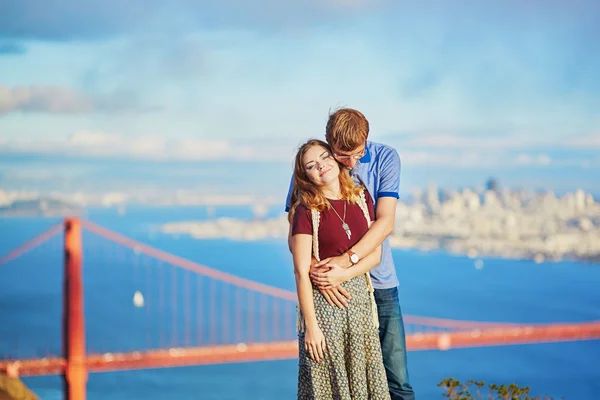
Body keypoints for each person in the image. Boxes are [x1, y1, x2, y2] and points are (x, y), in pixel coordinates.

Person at [286, 108, 415, 400]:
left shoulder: (384, 160)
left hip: (379, 284)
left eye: (358, 153)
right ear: (331, 142)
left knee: (396, 381)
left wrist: (345, 265)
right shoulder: (316, 162)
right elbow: (296, 233)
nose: (352, 162)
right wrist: (316, 270)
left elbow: (386, 223)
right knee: (338, 386)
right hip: (330, 294)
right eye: (344, 155)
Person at [290, 139, 390, 399]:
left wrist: (344, 272)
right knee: (329, 389)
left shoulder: (360, 197)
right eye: (311, 165)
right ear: (306, 176)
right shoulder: (306, 209)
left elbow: (375, 254)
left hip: (361, 306)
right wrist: (311, 327)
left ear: (335, 158)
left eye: (324, 157)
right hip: (325, 310)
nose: (320, 166)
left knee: (365, 384)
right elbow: (301, 271)